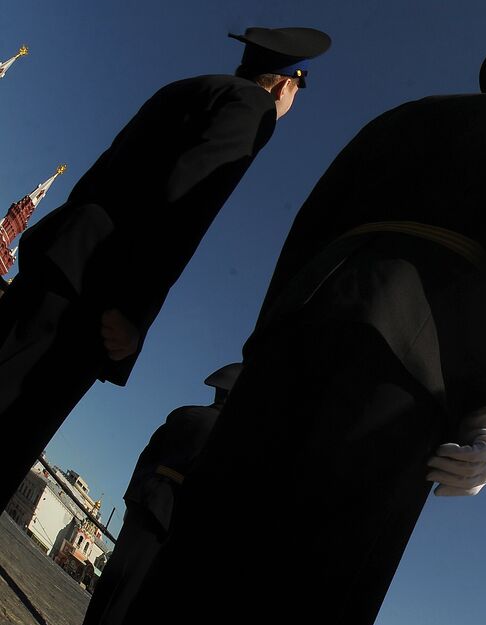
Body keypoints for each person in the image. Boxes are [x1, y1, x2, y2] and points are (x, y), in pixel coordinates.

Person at [85, 39, 486, 625]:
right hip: (405, 363)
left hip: (294, 334)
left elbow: (306, 228)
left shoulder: (397, 118)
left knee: (203, 563)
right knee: (314, 606)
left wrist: (264, 342)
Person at [0, 27, 331, 504]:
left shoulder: (189, 88)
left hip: (60, 257)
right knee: (13, 428)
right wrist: (132, 309)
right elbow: (186, 204)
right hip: (97, 291)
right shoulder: (251, 109)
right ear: (284, 85)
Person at [75, 362, 241, 625]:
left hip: (145, 498)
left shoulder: (183, 414)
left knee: (113, 577)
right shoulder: (225, 436)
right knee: (133, 588)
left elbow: (146, 457)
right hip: (170, 514)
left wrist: (134, 496)